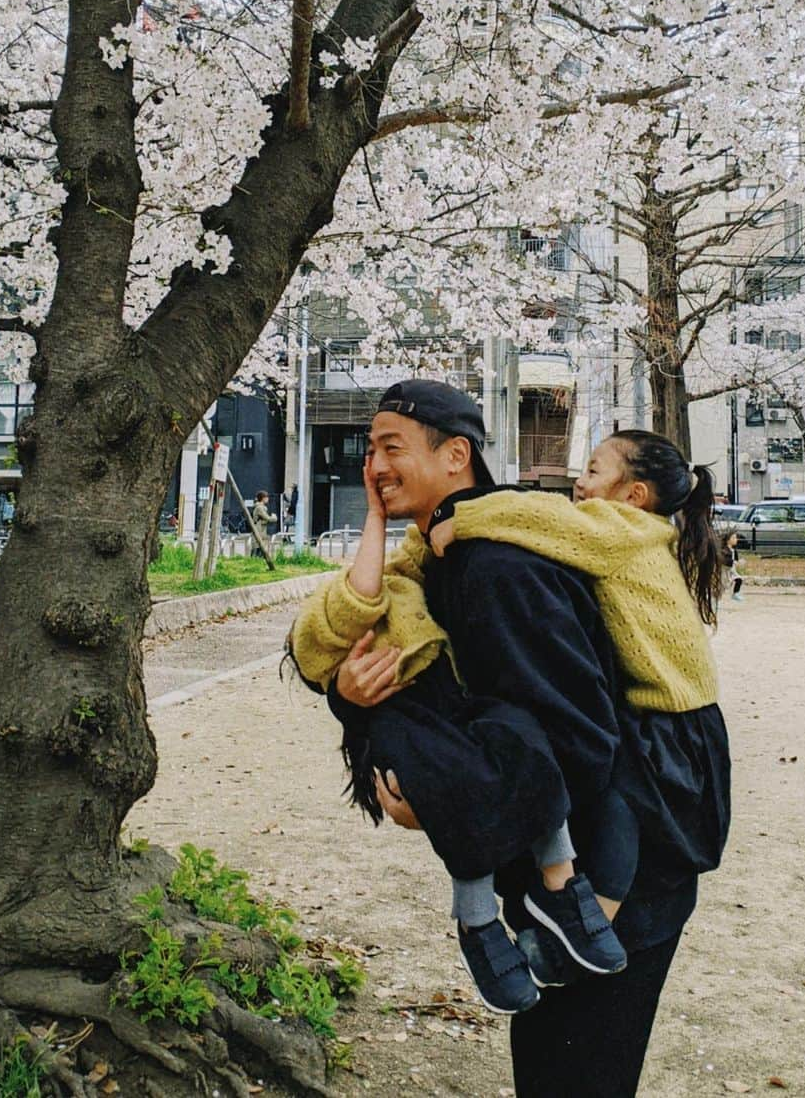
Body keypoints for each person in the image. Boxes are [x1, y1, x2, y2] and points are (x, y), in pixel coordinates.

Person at [290, 382, 730, 1095]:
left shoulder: (498, 565)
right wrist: (346, 691)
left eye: (390, 448)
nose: (372, 465)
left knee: (578, 1075)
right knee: (553, 1067)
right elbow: (373, 654)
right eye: (368, 450)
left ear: (456, 454)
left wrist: (450, 797)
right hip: (566, 871)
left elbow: (580, 740)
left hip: (622, 866)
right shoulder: (437, 555)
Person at [250, 490, 276, 556]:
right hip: (259, 530)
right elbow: (267, 518)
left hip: (260, 530)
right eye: (267, 497)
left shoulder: (261, 507)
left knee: (260, 549)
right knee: (258, 548)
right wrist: (274, 517)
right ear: (263, 498)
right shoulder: (260, 508)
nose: (268, 499)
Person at [721, 530, 744, 601]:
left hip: (732, 571)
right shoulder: (724, 550)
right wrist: (733, 562)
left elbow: (736, 560)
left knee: (739, 579)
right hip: (725, 571)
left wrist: (739, 562)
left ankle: (735, 594)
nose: (736, 539)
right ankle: (714, 597)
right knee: (722, 586)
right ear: (728, 540)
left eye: (736, 538)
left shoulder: (734, 550)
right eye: (733, 538)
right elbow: (724, 561)